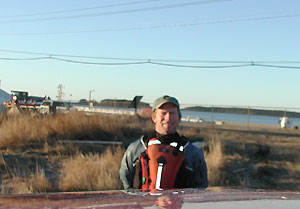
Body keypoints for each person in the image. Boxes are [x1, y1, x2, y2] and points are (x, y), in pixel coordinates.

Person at [119, 95, 208, 191]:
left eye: (173, 113)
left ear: (179, 118)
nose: (168, 118)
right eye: (163, 113)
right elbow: (126, 181)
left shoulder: (192, 153)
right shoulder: (137, 148)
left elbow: (200, 188)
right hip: (144, 204)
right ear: (154, 117)